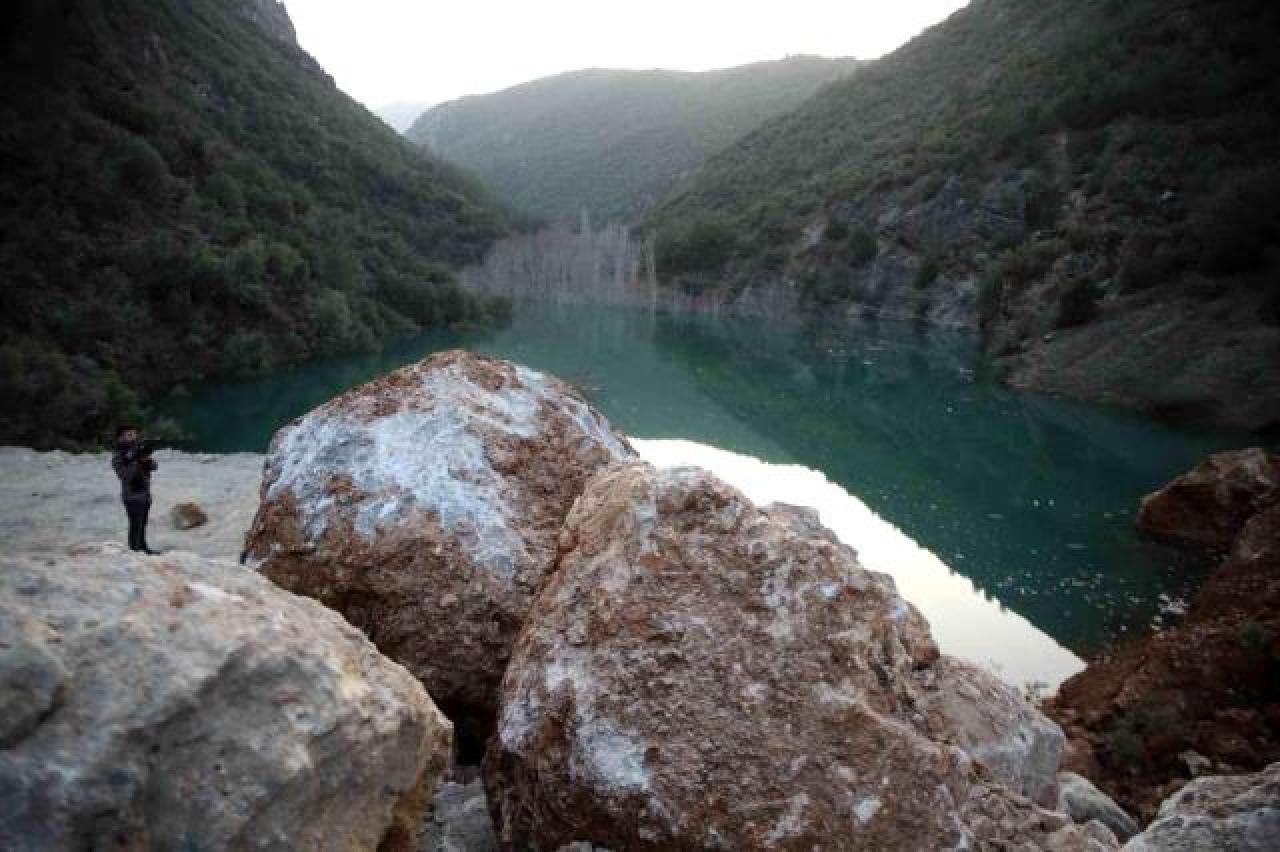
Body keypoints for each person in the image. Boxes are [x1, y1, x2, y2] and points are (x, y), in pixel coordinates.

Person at [111, 425, 158, 554]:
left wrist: (145, 459)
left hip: (145, 494)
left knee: (143, 524)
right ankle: (134, 551)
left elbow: (155, 466)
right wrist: (134, 461)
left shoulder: (138, 450)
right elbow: (125, 476)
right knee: (135, 525)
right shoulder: (118, 456)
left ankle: (143, 548)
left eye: (134, 434)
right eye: (129, 434)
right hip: (131, 496)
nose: (133, 437)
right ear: (121, 437)